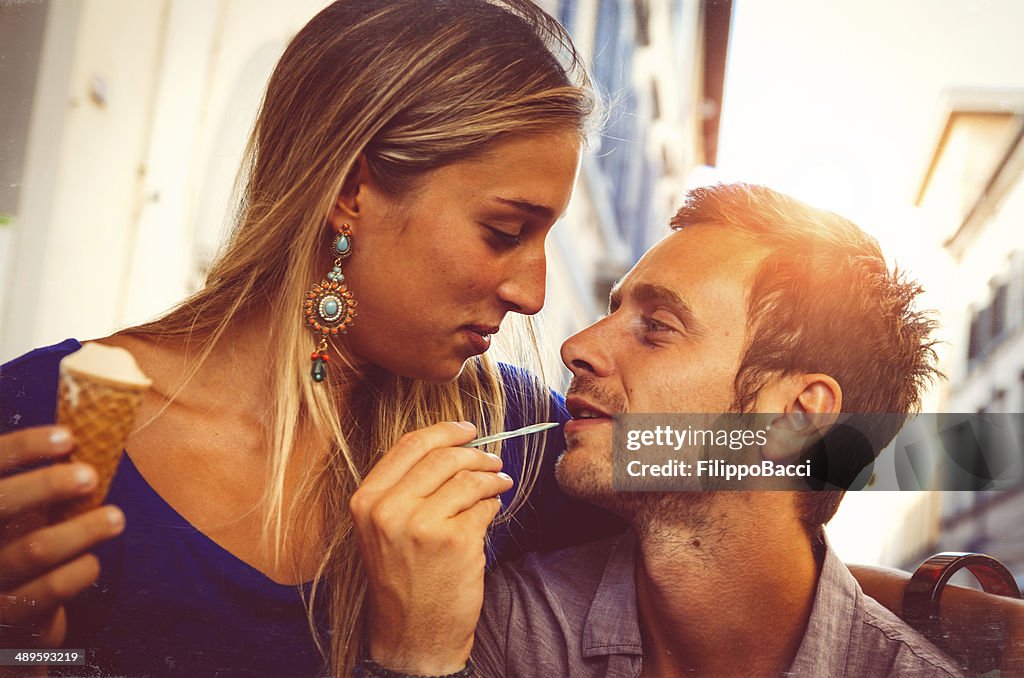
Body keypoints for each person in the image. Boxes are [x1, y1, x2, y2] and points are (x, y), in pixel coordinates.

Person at [0, 1, 609, 676]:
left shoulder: (506, 431)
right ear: (351, 191)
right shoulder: (33, 417)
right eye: (505, 232)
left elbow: (735, 453)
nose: (534, 294)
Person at [355, 184, 1007, 677]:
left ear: (800, 413)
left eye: (658, 327)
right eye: (614, 310)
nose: (577, 347)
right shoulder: (510, 630)